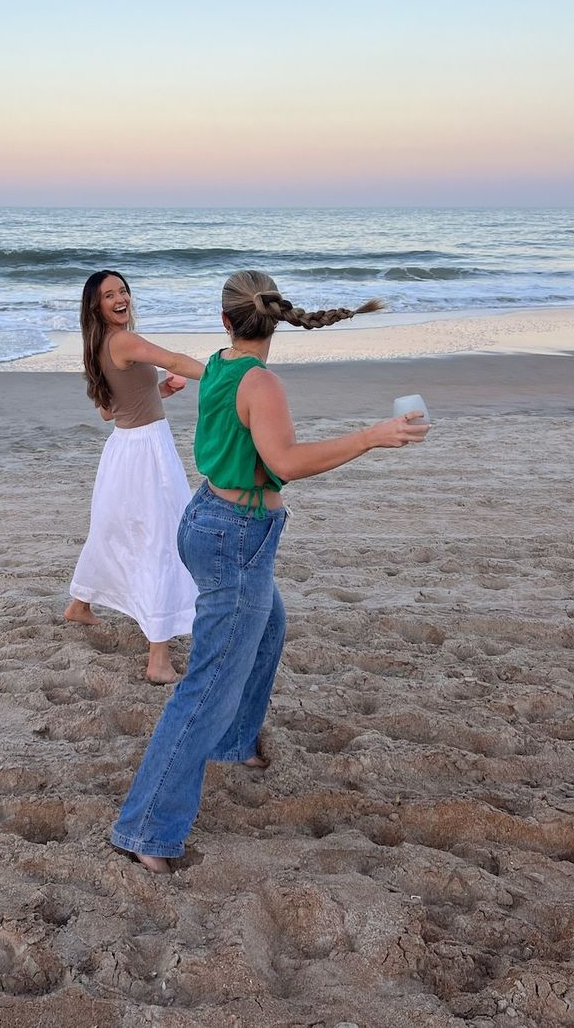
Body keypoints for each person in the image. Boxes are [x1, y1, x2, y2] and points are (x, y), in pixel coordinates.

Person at [111, 269, 430, 871]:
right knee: (208, 684)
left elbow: (229, 411)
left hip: (206, 517)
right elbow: (285, 460)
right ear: (274, 319)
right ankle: (146, 829)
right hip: (235, 534)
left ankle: (236, 743)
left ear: (227, 321)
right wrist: (372, 436)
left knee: (268, 629)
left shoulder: (222, 363)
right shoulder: (260, 382)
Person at [66, 270, 206, 684]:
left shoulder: (95, 346)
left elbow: (110, 411)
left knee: (113, 531)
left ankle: (80, 605)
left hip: (123, 449)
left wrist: (157, 394)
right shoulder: (124, 340)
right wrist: (228, 374)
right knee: (162, 539)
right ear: (97, 305)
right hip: (146, 452)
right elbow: (175, 361)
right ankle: (158, 660)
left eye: (123, 290)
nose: (120, 298)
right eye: (109, 295)